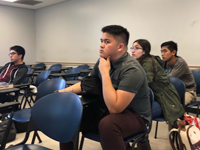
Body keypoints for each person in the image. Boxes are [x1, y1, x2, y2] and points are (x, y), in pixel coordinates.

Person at [58, 25, 151, 150]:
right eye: (101, 41)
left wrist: (105, 73)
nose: (101, 45)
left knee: (108, 124)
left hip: (135, 116)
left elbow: (115, 108)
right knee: (68, 117)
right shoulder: (103, 60)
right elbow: (88, 84)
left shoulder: (132, 69)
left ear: (120, 47)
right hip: (105, 108)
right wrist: (61, 92)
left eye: (107, 42)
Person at [131, 39, 185, 125]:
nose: (133, 50)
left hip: (165, 96)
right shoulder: (138, 61)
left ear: (144, 51)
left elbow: (145, 81)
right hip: (156, 95)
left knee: (138, 113)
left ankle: (141, 135)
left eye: (136, 48)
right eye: (132, 47)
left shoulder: (148, 62)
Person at [161, 41, 196, 105]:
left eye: (165, 51)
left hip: (188, 91)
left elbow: (169, 80)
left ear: (173, 52)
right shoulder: (164, 62)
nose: (162, 54)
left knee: (174, 105)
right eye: (161, 51)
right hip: (173, 90)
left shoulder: (180, 62)